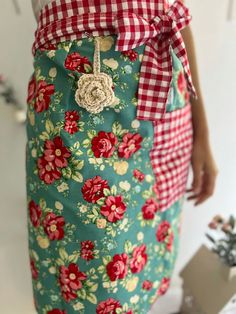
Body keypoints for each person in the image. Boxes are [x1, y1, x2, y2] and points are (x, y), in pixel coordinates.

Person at [26, 0, 218, 313]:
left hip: (167, 106)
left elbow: (177, 19)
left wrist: (202, 133)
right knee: (86, 284)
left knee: (145, 268)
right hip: (72, 118)